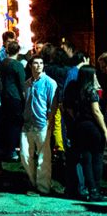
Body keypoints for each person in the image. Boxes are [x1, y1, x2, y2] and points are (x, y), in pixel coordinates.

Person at [65, 65, 107, 202]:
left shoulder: (74, 88)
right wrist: (105, 130)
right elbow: (96, 111)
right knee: (97, 159)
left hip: (79, 126)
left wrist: (77, 118)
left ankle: (91, 190)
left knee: (86, 159)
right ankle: (96, 190)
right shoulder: (91, 90)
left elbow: (68, 108)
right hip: (93, 127)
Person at [20, 55, 57, 195]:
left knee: (44, 158)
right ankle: (34, 182)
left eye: (41, 63)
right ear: (30, 66)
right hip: (28, 124)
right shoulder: (27, 83)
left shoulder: (49, 83)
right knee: (24, 155)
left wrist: (49, 122)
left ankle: (43, 187)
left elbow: (52, 104)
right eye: (36, 63)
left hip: (42, 123)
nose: (39, 65)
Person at [0, 40, 25, 161]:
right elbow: (22, 83)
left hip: (5, 96)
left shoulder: (3, 62)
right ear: (18, 51)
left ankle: (7, 148)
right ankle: (12, 150)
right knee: (15, 124)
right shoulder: (17, 65)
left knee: (7, 123)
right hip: (15, 97)